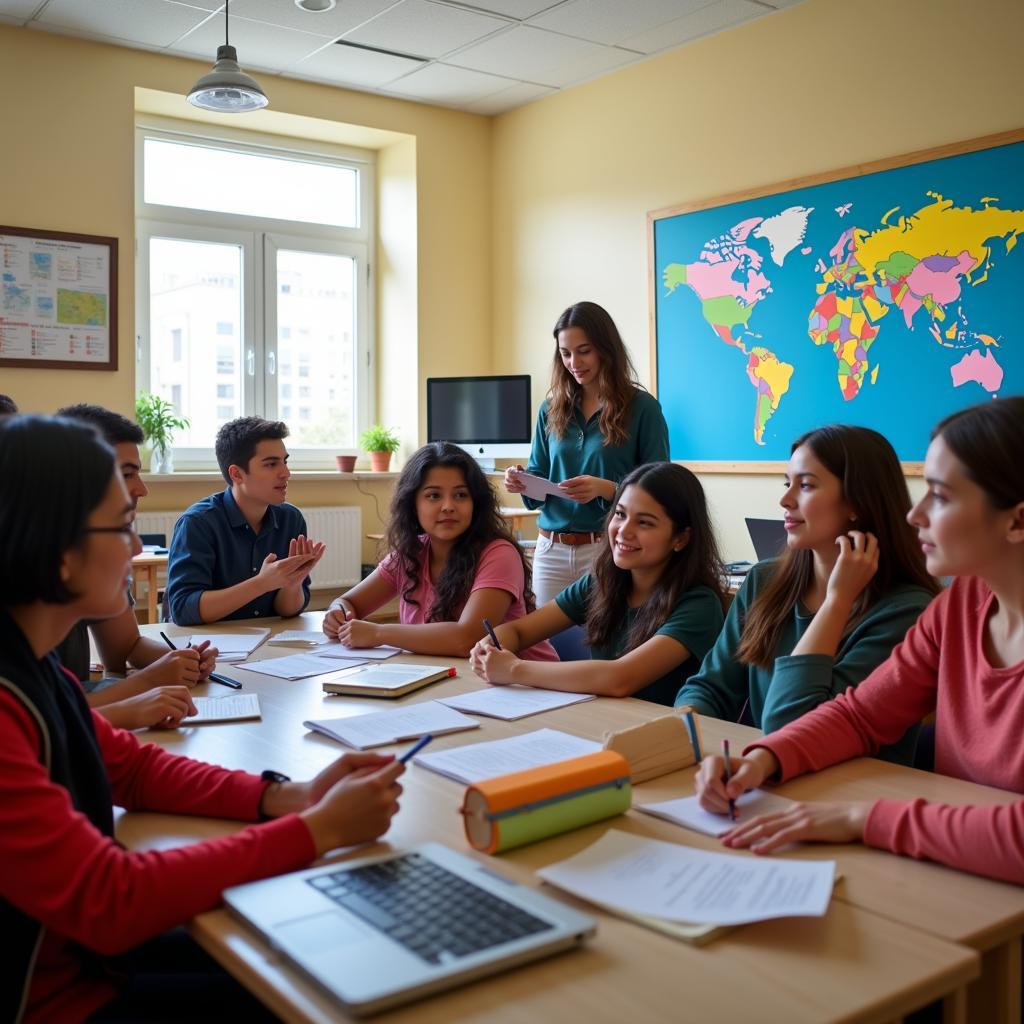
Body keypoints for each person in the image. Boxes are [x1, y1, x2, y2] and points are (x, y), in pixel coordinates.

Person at [0, 414, 404, 1023]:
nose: (138, 549)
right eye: (124, 526)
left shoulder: (35, 671)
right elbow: (111, 897)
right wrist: (314, 831)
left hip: (88, 960)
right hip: (62, 998)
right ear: (61, 555)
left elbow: (132, 769)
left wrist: (289, 796)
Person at [694, 398, 1024, 885]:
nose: (915, 516)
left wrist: (861, 819)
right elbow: (859, 714)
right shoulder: (957, 607)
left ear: (1016, 521)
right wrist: (761, 759)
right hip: (958, 872)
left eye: (940, 496)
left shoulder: (916, 603)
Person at [676, 424, 937, 764]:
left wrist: (837, 602)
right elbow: (710, 686)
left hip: (852, 792)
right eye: (788, 484)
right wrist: (682, 730)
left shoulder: (905, 611)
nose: (785, 500)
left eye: (807, 485)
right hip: (762, 776)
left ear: (857, 501)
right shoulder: (763, 581)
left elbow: (795, 725)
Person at [471, 463, 726, 704]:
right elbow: (520, 631)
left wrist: (514, 669)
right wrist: (490, 645)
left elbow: (620, 678)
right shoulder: (601, 583)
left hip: (661, 737)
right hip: (602, 721)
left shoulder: (699, 605)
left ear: (681, 538)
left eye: (645, 522)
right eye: (620, 514)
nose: (624, 531)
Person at [54, 404, 217, 731]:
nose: (142, 489)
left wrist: (178, 663)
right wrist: (144, 683)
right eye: (126, 474)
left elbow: (124, 646)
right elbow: (41, 713)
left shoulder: (97, 548)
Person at [323, 442, 557, 660]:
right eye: (434, 496)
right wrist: (337, 614)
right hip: (454, 682)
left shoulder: (499, 554)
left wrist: (378, 633)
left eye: (460, 495)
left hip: (531, 691)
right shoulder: (411, 553)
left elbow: (468, 638)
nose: (448, 506)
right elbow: (347, 602)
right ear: (412, 504)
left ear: (476, 503)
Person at [504, 301, 669, 606]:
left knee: (601, 643)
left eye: (584, 350)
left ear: (606, 349)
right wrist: (523, 482)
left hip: (608, 548)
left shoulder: (642, 408)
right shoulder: (550, 409)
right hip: (550, 550)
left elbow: (661, 490)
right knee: (545, 648)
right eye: (565, 354)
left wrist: (608, 490)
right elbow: (538, 476)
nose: (574, 362)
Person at [165, 416, 325, 625]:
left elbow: (288, 611)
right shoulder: (198, 523)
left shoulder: (291, 519)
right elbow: (183, 609)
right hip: (208, 646)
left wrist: (292, 584)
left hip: (268, 645)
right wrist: (261, 584)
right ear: (237, 474)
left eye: (284, 461)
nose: (286, 473)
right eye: (270, 464)